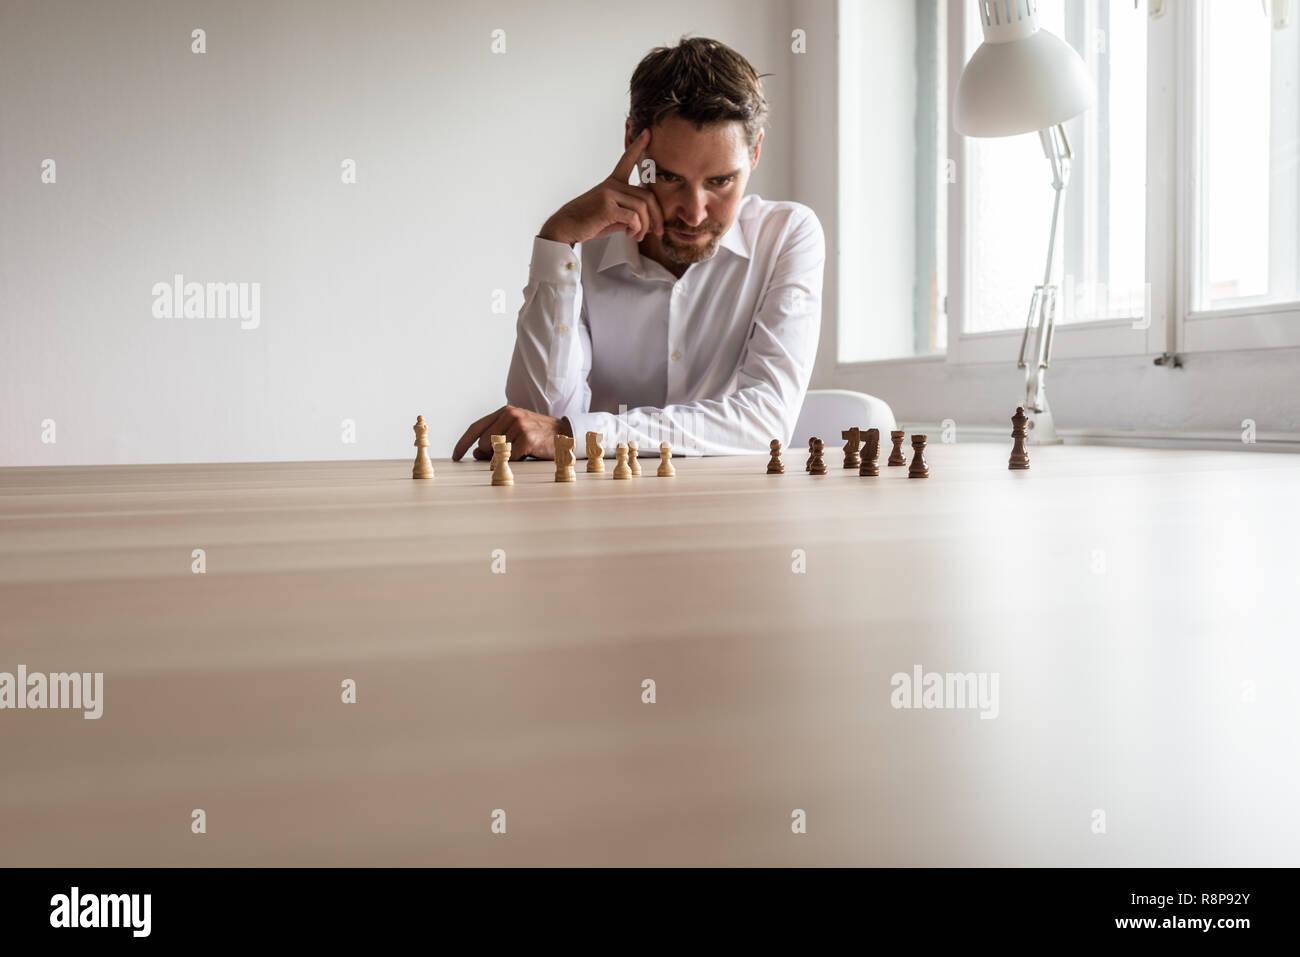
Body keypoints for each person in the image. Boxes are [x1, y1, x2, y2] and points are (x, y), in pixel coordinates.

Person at [453, 36, 824, 462]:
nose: (695, 213)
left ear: (755, 152)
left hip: (729, 511)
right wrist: (557, 241)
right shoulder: (584, 251)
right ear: (633, 139)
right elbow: (542, 419)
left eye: (720, 182)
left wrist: (579, 433)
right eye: (670, 178)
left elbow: (765, 421)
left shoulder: (787, 237)